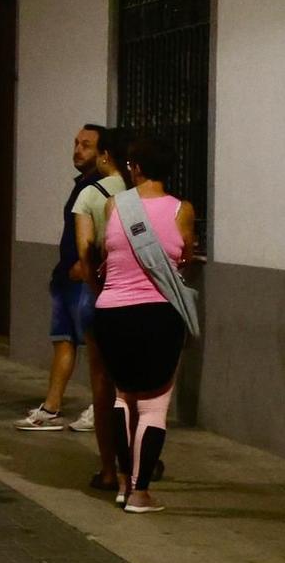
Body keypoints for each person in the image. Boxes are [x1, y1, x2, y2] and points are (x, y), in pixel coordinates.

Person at [89, 132, 197, 513]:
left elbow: (104, 251)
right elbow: (185, 257)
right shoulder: (182, 210)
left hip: (112, 314)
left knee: (122, 397)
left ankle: (122, 482)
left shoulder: (114, 206)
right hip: (158, 315)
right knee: (153, 407)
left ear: (134, 168)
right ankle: (140, 493)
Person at [15, 124, 116, 432]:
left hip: (86, 277)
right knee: (62, 340)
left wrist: (87, 267)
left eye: (86, 145)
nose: (77, 150)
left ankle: (100, 407)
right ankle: (51, 406)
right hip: (66, 276)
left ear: (103, 153)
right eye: (75, 143)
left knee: (97, 348)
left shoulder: (105, 189)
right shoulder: (81, 186)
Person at [68, 127, 130, 482]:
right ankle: (139, 459)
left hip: (101, 296)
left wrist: (96, 289)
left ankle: (109, 468)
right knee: (136, 387)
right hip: (137, 297)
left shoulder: (90, 194)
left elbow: (85, 252)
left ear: (105, 155)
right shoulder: (143, 193)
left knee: (102, 385)